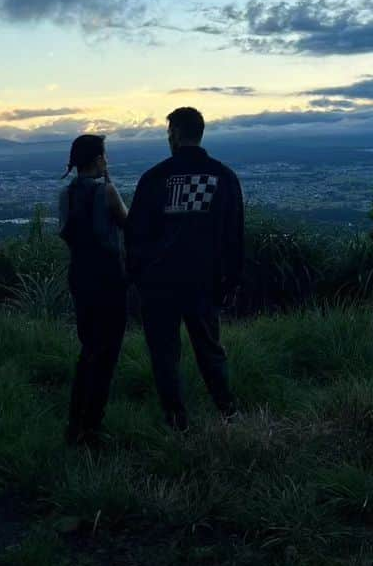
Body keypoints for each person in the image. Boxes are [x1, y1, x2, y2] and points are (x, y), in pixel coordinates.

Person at [125, 106, 244, 430]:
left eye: (168, 132)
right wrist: (230, 281)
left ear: (175, 133)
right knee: (210, 347)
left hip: (159, 283)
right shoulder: (223, 176)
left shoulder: (155, 178)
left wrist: (137, 276)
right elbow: (234, 234)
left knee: (165, 353)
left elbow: (135, 233)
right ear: (200, 132)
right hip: (204, 281)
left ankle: (176, 418)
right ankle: (227, 410)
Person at [58, 133, 129, 446]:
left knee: (88, 349)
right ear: (99, 159)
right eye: (105, 155)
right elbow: (130, 225)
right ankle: (93, 427)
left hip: (80, 277)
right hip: (109, 279)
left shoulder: (66, 194)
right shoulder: (108, 192)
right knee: (108, 351)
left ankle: (76, 422)